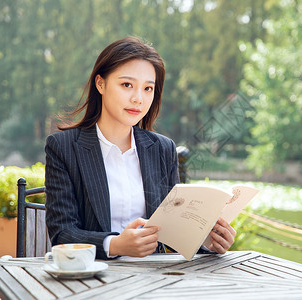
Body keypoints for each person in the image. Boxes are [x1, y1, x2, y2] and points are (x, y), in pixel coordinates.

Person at [45, 36, 236, 259]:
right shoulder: (64, 147)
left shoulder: (162, 149)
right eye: (127, 85)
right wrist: (114, 245)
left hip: (155, 280)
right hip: (95, 278)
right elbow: (63, 234)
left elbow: (172, 233)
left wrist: (207, 242)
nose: (138, 98)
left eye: (148, 88)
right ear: (101, 84)